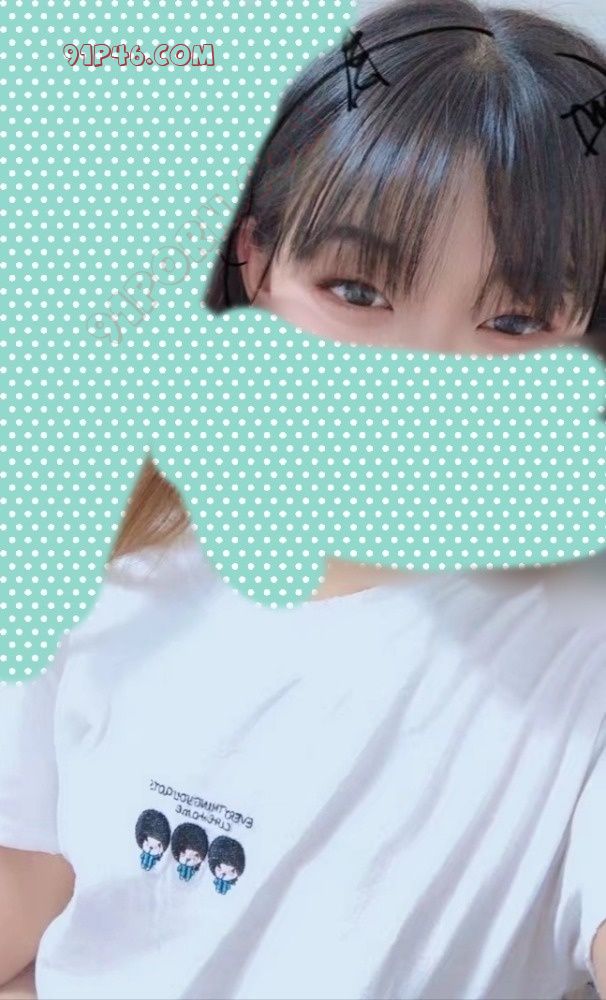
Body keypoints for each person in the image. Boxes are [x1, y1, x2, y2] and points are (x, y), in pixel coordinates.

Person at [1, 1, 606, 997]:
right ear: (255, 258)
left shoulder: (580, 656)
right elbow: (35, 880)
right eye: (358, 291)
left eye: (512, 322)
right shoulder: (95, 559)